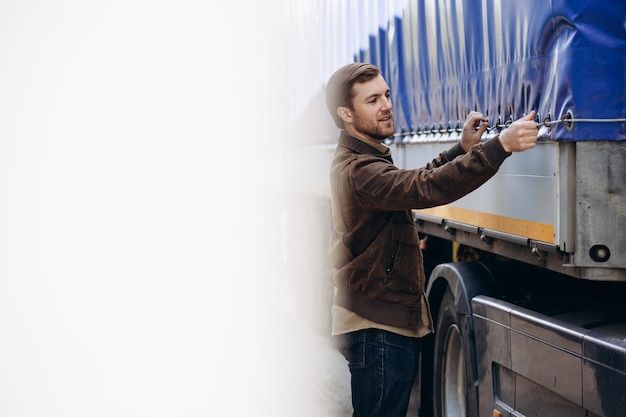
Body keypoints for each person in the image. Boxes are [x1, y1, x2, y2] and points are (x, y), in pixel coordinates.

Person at [325, 62, 538, 417]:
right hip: (377, 328)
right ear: (346, 113)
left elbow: (414, 180)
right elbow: (424, 187)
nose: (387, 105)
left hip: (382, 322)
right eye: (373, 100)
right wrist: (500, 146)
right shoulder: (357, 170)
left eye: (388, 95)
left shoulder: (367, 159)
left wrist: (461, 149)